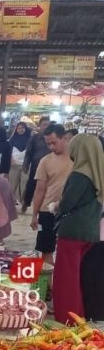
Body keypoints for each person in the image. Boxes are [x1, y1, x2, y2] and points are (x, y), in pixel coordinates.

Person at [53, 135, 104, 323]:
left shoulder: (80, 175)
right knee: (77, 276)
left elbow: (67, 204)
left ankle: (67, 316)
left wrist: (57, 205)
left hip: (73, 231)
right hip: (90, 230)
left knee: (66, 277)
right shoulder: (98, 173)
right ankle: (78, 313)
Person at [31, 124, 73, 265]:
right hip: (47, 211)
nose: (51, 147)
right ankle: (50, 283)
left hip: (69, 211)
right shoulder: (45, 161)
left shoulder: (77, 159)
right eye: (48, 144)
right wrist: (34, 215)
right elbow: (40, 189)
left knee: (67, 250)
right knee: (46, 249)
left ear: (64, 138)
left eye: (54, 143)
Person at [22, 117, 52, 213]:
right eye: (44, 125)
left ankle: (43, 207)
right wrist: (25, 166)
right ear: (39, 126)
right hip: (36, 166)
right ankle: (26, 203)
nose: (46, 127)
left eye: (48, 125)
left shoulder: (53, 138)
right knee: (31, 185)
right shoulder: (34, 138)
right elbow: (28, 153)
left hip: (50, 167)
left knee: (47, 187)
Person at [8, 122, 32, 204]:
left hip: (26, 165)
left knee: (24, 184)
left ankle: (22, 201)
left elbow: (32, 152)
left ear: (25, 128)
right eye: (18, 128)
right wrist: (11, 159)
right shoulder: (13, 139)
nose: (20, 129)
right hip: (14, 165)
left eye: (22, 128)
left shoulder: (30, 139)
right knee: (12, 183)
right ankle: (11, 201)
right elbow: (8, 151)